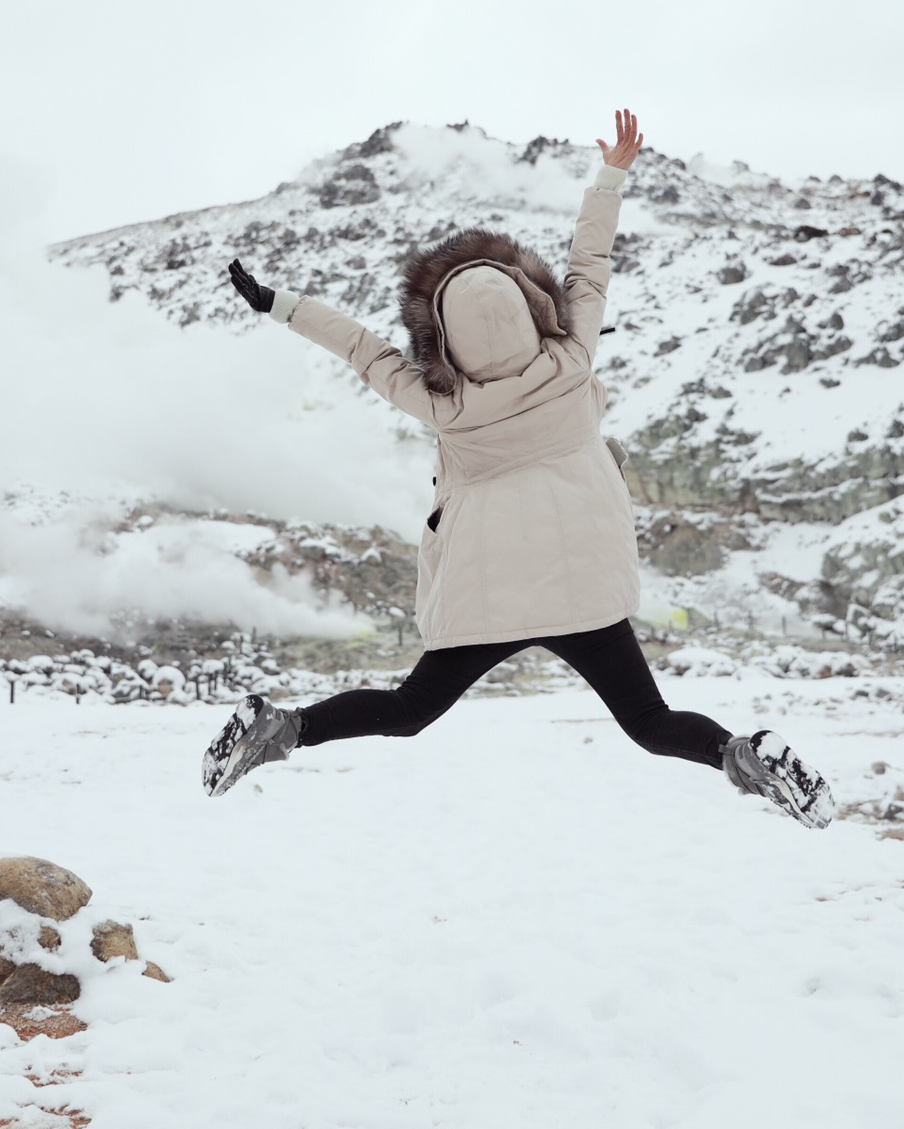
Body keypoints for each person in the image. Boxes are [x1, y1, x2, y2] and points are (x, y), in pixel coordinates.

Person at [201, 109, 833, 827]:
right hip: (582, 583)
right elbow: (588, 263)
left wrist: (278, 304)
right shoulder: (570, 360)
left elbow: (362, 348)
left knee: (409, 710)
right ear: (533, 310)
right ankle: (744, 756)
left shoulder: (445, 404)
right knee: (649, 720)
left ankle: (280, 729)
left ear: (442, 336)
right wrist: (611, 174)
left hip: (487, 588)